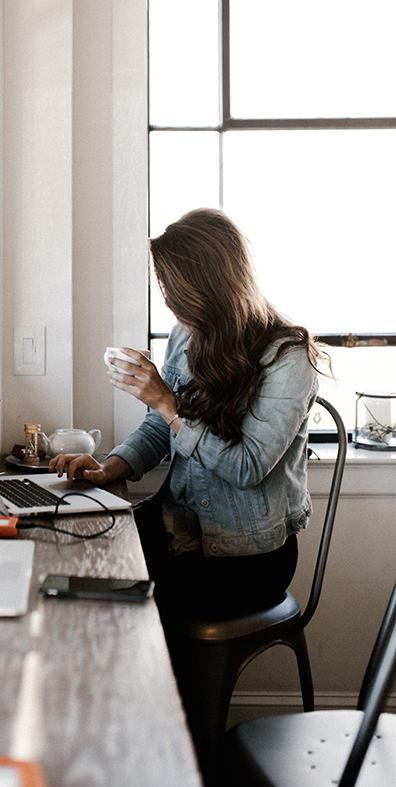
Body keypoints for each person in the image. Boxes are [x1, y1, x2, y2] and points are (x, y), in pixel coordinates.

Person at [50, 207, 329, 622]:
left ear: (212, 286)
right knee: (71, 559)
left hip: (245, 559)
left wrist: (166, 401)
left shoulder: (288, 358)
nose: (169, 303)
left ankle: (154, 686)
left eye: (175, 291)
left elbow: (247, 467)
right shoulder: (187, 334)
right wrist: (111, 467)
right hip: (179, 532)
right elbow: (160, 427)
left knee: (111, 604)